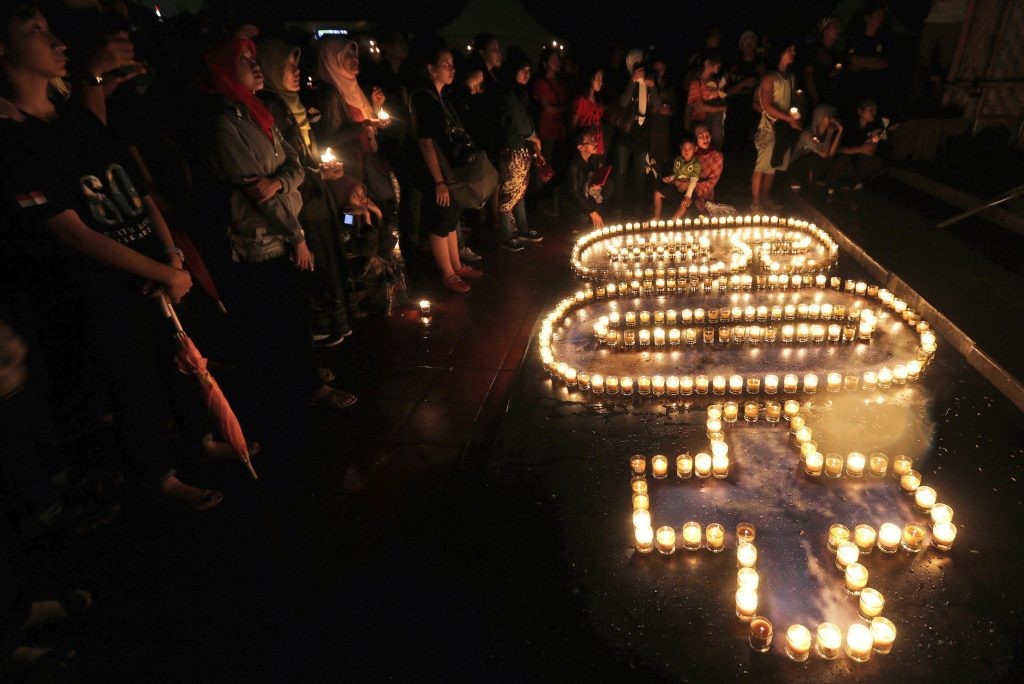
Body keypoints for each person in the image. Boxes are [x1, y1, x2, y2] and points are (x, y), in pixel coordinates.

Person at [0, 1, 223, 509]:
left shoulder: (74, 117)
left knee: (179, 362)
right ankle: (157, 476)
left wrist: (171, 256)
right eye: (36, 31)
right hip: (105, 283)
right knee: (132, 380)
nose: (56, 42)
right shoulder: (11, 137)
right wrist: (162, 269)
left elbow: (134, 189)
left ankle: (200, 440)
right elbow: (72, 233)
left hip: (155, 266)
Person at [203, 37, 355, 410]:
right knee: (284, 314)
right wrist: (297, 235)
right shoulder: (226, 125)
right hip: (263, 236)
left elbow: (294, 164)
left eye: (255, 58)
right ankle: (303, 387)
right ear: (224, 70)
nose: (255, 66)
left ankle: (301, 373)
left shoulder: (257, 112)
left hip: (284, 227)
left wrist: (280, 182)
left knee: (292, 309)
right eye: (245, 60)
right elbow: (259, 194)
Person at [256, 38, 356, 347]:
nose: (297, 71)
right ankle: (322, 326)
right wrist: (316, 173)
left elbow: (306, 151)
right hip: (302, 201)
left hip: (317, 194)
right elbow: (282, 160)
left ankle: (337, 321)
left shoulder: (295, 102)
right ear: (272, 68)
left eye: (297, 64)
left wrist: (322, 169)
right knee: (316, 261)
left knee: (329, 254)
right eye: (289, 65)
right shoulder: (271, 106)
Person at [408, 44, 482, 293]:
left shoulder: (441, 96)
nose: (452, 69)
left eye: (452, 64)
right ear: (431, 69)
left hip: (449, 169)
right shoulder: (423, 97)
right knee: (441, 219)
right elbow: (425, 141)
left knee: (451, 217)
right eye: (445, 64)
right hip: (436, 172)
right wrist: (439, 181)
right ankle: (447, 273)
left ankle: (456, 265)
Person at [316, 37, 395, 210]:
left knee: (372, 214)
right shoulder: (332, 95)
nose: (355, 59)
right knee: (351, 216)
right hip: (350, 172)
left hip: (366, 167)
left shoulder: (354, 88)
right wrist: (364, 124)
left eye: (355, 54)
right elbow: (330, 140)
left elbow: (368, 128)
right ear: (333, 58)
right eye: (347, 54)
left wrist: (375, 108)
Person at [496, 50, 543, 252]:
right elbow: (519, 119)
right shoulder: (508, 92)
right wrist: (532, 136)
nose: (526, 74)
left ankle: (522, 228)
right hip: (512, 148)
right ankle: (506, 234)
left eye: (529, 70)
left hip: (522, 148)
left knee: (520, 190)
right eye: (522, 70)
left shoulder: (520, 93)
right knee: (509, 192)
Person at [751, 41, 801, 211]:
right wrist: (788, 119)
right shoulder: (769, 78)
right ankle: (755, 203)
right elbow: (766, 105)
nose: (793, 52)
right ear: (780, 53)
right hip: (768, 127)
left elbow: (790, 102)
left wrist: (794, 117)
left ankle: (765, 199)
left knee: (773, 166)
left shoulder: (791, 78)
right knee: (762, 166)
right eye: (789, 49)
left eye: (794, 49)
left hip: (784, 128)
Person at [610, 49, 662, 212]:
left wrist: (652, 87)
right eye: (637, 63)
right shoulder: (625, 80)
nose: (641, 67)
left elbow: (658, 105)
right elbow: (623, 103)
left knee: (640, 173)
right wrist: (632, 81)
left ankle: (637, 207)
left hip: (643, 132)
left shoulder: (650, 80)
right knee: (620, 172)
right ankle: (617, 207)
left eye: (642, 63)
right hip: (626, 132)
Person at [532, 46, 567, 213]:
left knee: (557, 163)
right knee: (544, 165)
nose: (557, 62)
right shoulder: (541, 83)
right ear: (545, 63)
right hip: (547, 127)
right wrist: (566, 109)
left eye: (557, 59)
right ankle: (540, 201)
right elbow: (547, 107)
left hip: (559, 128)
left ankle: (552, 200)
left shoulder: (560, 83)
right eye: (553, 60)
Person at [843, 0, 891, 113]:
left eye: (882, 15)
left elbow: (885, 63)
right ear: (867, 18)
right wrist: (872, 62)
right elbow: (851, 61)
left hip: (876, 88)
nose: (880, 18)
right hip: (856, 88)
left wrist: (863, 63)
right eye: (877, 15)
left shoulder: (884, 39)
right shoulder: (856, 38)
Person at [831, 98, 885, 188]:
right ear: (860, 111)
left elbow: (870, 150)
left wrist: (875, 142)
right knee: (842, 161)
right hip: (843, 159)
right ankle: (841, 182)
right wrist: (860, 149)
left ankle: (855, 182)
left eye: (875, 110)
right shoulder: (848, 125)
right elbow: (837, 149)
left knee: (876, 163)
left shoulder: (871, 128)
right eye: (870, 110)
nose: (874, 113)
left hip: (857, 161)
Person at [788, 104, 842, 189]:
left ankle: (813, 181)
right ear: (819, 117)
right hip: (795, 167)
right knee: (813, 156)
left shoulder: (823, 135)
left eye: (831, 116)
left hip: (807, 168)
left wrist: (840, 131)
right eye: (827, 116)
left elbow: (830, 154)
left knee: (830, 157)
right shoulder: (808, 134)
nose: (831, 119)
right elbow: (823, 154)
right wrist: (830, 132)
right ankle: (801, 182)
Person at [566, 127, 612, 228]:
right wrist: (591, 212)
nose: (596, 143)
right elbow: (575, 194)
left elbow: (592, 179)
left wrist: (594, 185)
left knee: (609, 185)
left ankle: (596, 212)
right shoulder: (573, 167)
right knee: (583, 220)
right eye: (591, 141)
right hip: (574, 202)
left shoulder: (593, 159)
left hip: (587, 194)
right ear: (580, 147)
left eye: (595, 139)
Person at [652, 132, 701, 221]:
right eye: (684, 148)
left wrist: (688, 196)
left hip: (688, 192)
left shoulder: (696, 164)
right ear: (680, 148)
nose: (686, 151)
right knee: (657, 193)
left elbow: (694, 180)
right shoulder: (678, 160)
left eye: (689, 149)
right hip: (676, 189)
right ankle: (656, 217)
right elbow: (676, 174)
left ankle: (672, 222)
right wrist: (670, 178)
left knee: (684, 204)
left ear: (695, 149)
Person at [687, 50, 727, 150]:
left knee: (716, 148)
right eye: (717, 61)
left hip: (717, 125)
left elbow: (723, 99)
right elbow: (701, 107)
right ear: (707, 63)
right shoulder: (696, 83)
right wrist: (720, 108)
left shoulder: (717, 81)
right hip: (701, 123)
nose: (719, 64)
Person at [804, 17, 842, 108]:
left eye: (838, 27)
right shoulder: (814, 49)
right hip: (816, 96)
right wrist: (815, 98)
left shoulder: (835, 52)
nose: (838, 30)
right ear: (825, 30)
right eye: (834, 27)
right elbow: (808, 74)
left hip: (831, 97)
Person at [570, 66, 605, 158]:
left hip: (597, 143)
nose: (601, 82)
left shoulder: (598, 100)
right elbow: (572, 126)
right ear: (589, 79)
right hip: (586, 145)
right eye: (597, 78)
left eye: (601, 79)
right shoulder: (581, 100)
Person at [692, 123, 723, 212]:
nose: (705, 139)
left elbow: (712, 181)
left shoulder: (717, 156)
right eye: (701, 136)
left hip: (706, 195)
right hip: (688, 194)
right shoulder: (691, 155)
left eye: (707, 135)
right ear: (695, 139)